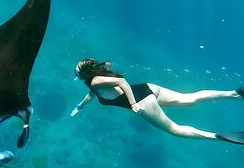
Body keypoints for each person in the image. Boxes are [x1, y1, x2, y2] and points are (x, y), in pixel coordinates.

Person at [70, 58, 244, 144]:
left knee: (174, 130)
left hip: (142, 101)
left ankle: (217, 136)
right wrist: (80, 107)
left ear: (85, 73)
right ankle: (235, 93)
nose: (76, 72)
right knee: (189, 98)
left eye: (77, 71)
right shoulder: (94, 82)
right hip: (147, 88)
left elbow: (121, 82)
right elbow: (92, 94)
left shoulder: (95, 81)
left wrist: (133, 104)